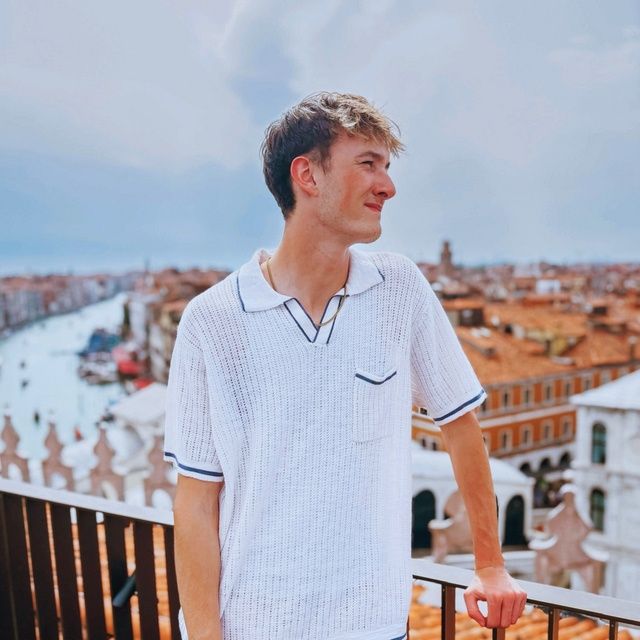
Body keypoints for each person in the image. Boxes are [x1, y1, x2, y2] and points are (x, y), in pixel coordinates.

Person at [163, 92, 527, 640]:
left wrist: (491, 566)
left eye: (387, 166)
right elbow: (195, 502)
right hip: (253, 626)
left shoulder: (399, 289)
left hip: (374, 624)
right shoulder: (211, 321)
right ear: (307, 175)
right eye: (368, 163)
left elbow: (460, 425)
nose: (388, 186)